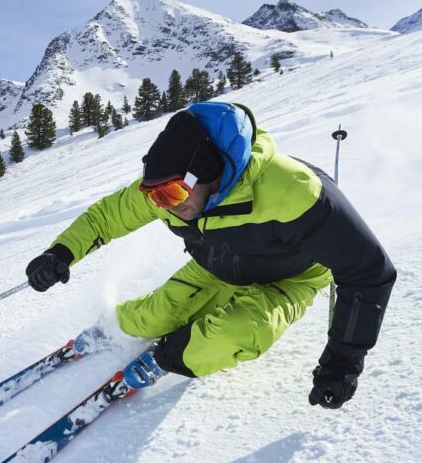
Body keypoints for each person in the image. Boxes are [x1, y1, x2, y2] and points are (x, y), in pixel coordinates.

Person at [25, 102, 395, 409]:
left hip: (289, 277)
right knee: (154, 315)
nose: (161, 205)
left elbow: (367, 271)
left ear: (208, 174)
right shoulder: (167, 190)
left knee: (231, 336)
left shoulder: (293, 191)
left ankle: (165, 358)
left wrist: (343, 362)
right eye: (154, 196)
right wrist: (61, 253)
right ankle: (112, 331)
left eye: (169, 195)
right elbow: (108, 216)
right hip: (217, 267)